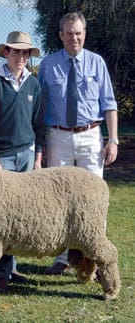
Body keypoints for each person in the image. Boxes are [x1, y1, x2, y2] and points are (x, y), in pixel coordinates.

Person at [38, 12, 118, 275]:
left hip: (90, 137)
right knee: (59, 201)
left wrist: (113, 140)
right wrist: (42, 143)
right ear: (60, 35)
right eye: (69, 33)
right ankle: (63, 258)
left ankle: (93, 261)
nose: (74, 38)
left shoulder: (97, 63)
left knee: (93, 201)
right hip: (58, 136)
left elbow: (109, 104)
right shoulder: (48, 65)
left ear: (85, 34)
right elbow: (39, 106)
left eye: (79, 33)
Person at [0, 31, 45, 292]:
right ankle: (0, 272)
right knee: (1, 218)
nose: (21, 57)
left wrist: (38, 157)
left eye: (25, 52)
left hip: (27, 155)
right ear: (6, 53)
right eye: (16, 51)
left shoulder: (33, 84)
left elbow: (39, 124)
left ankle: (13, 266)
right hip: (2, 157)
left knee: (21, 215)